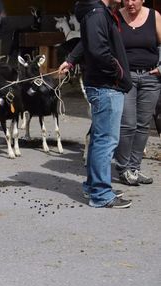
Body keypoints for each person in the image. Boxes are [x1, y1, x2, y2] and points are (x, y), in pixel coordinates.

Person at [58, 0, 133, 208]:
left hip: (104, 85)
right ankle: (101, 194)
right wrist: (119, 73)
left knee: (101, 139)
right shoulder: (97, 13)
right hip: (106, 86)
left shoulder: (97, 12)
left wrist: (71, 58)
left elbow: (87, 41)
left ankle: (94, 186)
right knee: (105, 141)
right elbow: (99, 51)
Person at [114, 0, 161, 186]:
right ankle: (123, 168)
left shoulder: (154, 16)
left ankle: (135, 168)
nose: (130, 3)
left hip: (151, 78)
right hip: (127, 78)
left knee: (143, 125)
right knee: (127, 124)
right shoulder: (116, 17)